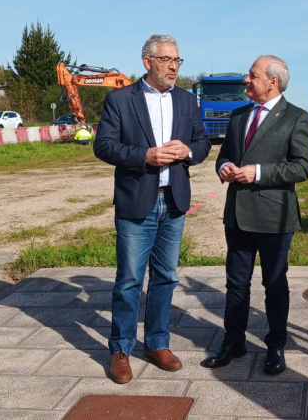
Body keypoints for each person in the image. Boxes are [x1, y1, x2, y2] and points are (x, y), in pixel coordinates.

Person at [93, 34, 211, 384]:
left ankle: (157, 344)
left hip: (174, 201)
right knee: (129, 281)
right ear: (148, 62)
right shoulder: (120, 99)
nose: (174, 66)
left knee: (166, 277)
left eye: (178, 60)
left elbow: (203, 142)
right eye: (166, 60)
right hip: (136, 202)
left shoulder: (188, 101)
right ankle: (120, 349)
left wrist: (188, 152)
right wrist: (144, 156)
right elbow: (104, 146)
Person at [203, 55, 308, 375]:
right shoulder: (238, 116)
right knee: (236, 283)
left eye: (252, 76)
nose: (245, 81)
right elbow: (224, 154)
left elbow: (302, 167)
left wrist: (257, 173)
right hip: (237, 214)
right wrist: (223, 167)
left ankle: (276, 345)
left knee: (274, 284)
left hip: (273, 217)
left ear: (272, 81)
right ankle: (233, 341)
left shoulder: (296, 118)